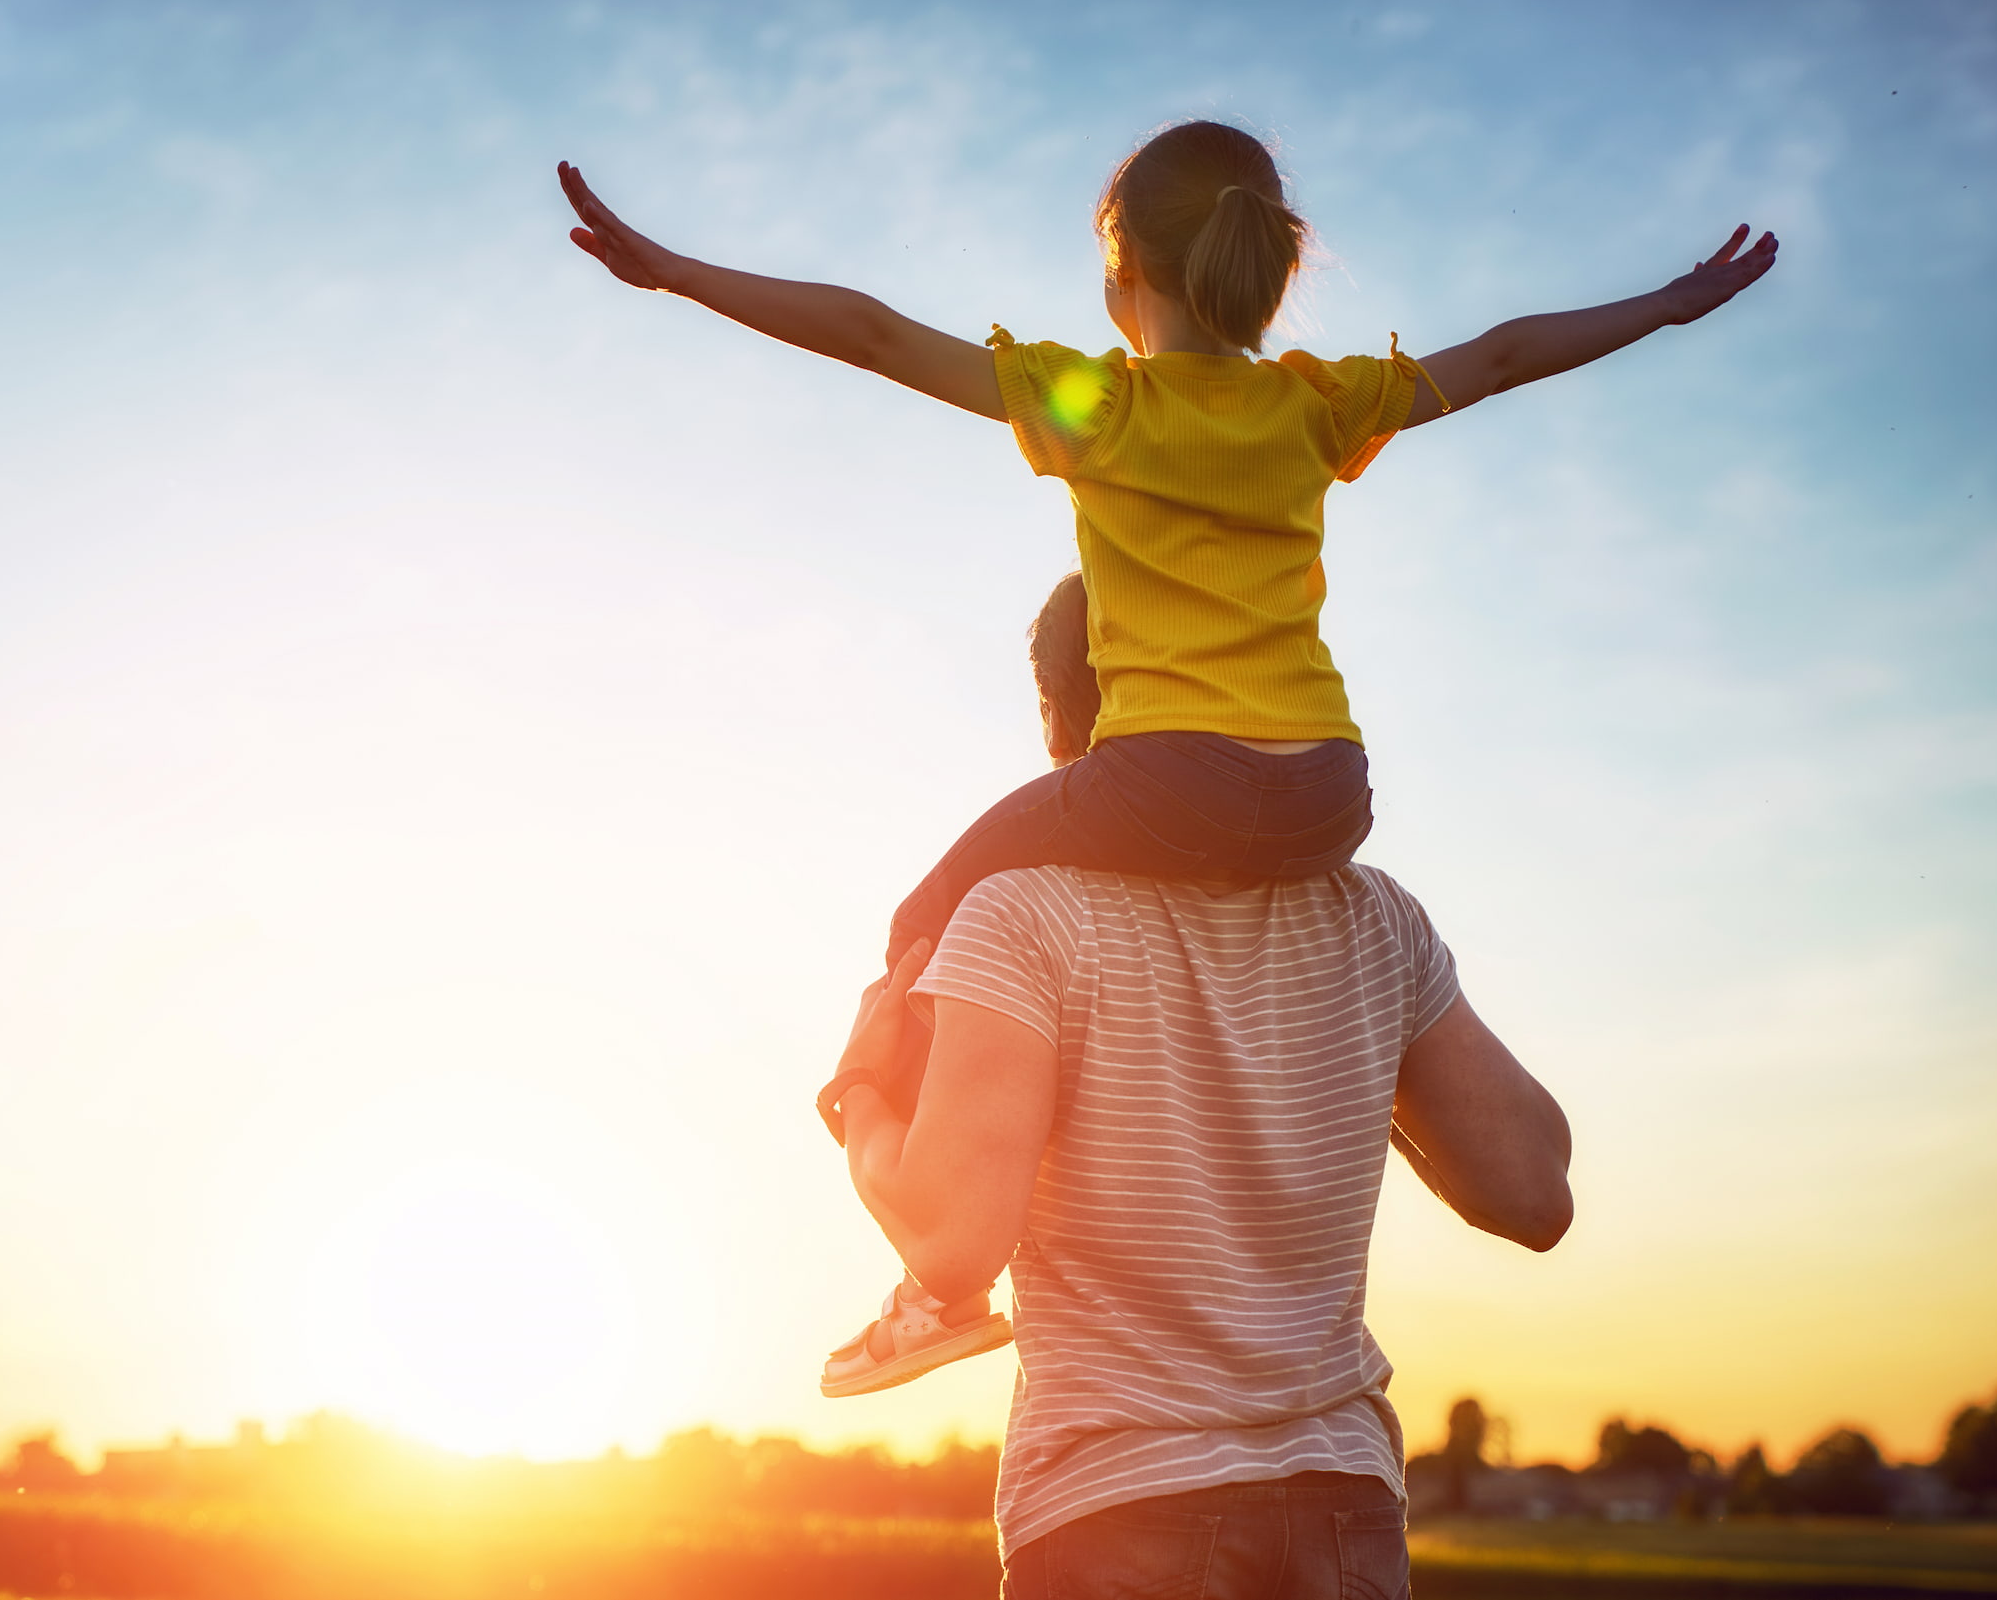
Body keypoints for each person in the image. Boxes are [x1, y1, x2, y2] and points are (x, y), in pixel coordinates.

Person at [559, 119, 1770, 1385]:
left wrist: (684, 273)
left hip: (1165, 781)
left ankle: (934, 1286)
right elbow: (1511, 351)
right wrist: (1671, 305)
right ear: (1263, 263)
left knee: (929, 910)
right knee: (1087, 876)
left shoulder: (1101, 401)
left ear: (1121, 268)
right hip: (1323, 793)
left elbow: (869, 332)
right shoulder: (1317, 403)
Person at [821, 571, 1574, 1597]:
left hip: (1116, 1508)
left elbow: (952, 1247)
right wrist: (1359, 1049)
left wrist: (858, 1090)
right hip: (1341, 1507)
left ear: (1056, 719)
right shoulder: (1373, 918)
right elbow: (1532, 1188)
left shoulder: (1020, 915)